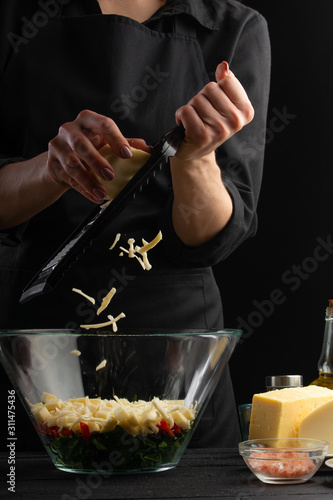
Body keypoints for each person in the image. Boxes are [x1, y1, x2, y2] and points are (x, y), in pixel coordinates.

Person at [0, 0, 270, 449]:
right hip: (35, 346)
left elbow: (209, 238)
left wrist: (197, 159)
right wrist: (50, 170)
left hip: (176, 355)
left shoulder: (234, 28)